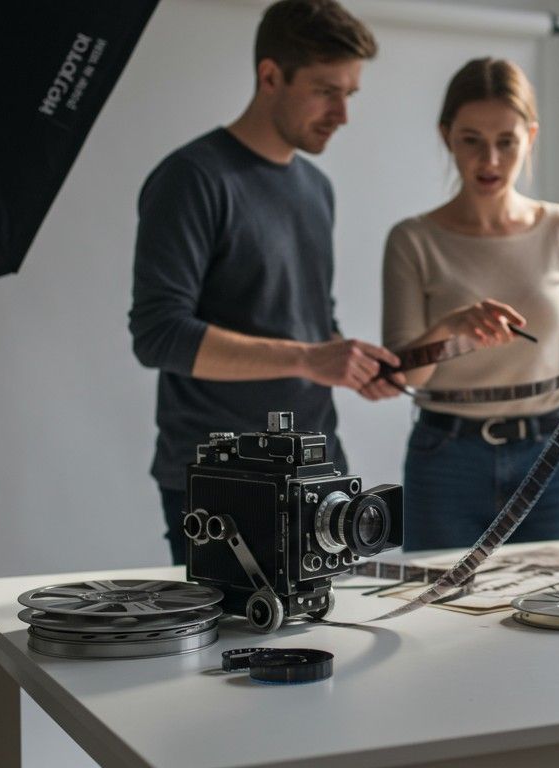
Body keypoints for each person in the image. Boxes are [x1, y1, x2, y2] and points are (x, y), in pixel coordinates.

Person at [129, 0, 401, 564]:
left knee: (326, 646)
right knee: (234, 650)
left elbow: (310, 319)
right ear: (270, 76)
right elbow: (158, 335)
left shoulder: (317, 188)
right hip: (221, 479)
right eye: (327, 90)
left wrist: (349, 364)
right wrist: (308, 358)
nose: (342, 113)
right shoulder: (193, 179)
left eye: (350, 93)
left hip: (319, 467)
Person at [381, 57, 559, 552]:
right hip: (446, 461)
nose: (490, 159)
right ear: (446, 135)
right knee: (440, 618)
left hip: (550, 456)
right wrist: (452, 329)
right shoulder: (412, 240)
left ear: (531, 136)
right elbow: (400, 375)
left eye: (506, 141)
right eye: (471, 140)